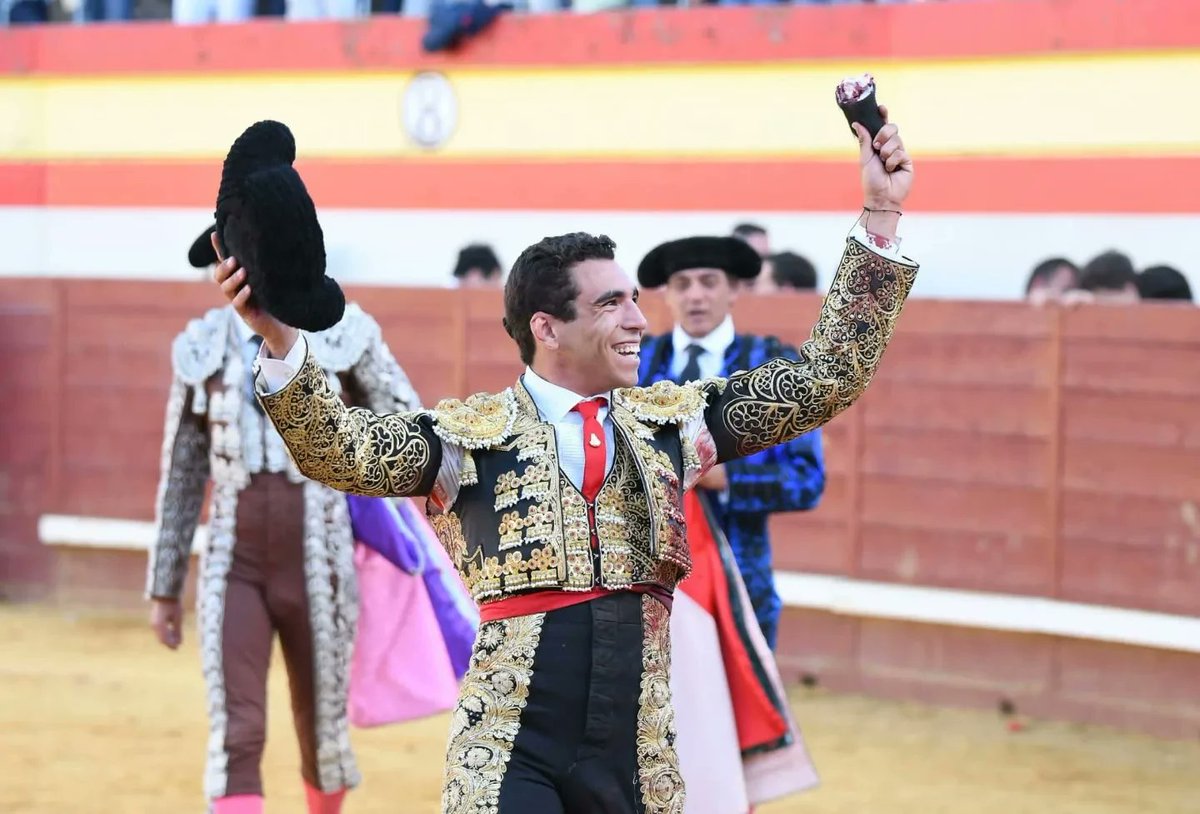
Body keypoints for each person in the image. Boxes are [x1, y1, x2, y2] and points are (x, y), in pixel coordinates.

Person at [215, 110, 916, 814]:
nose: (640, 320)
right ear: (547, 328)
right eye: (612, 304)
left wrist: (880, 216)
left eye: (636, 302)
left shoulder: (676, 425)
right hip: (508, 754)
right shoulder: (468, 438)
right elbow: (338, 450)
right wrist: (278, 341)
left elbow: (826, 378)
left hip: (637, 759)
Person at [148, 148, 470, 814]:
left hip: (322, 560)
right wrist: (162, 585)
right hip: (231, 563)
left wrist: (452, 489)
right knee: (235, 731)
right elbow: (182, 477)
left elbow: (416, 429)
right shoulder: (202, 346)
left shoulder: (344, 333)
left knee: (322, 732)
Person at [634, 234, 825, 810]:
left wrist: (726, 481)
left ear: (736, 289)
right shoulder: (635, 363)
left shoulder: (773, 366)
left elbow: (806, 480)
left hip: (741, 581)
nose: (695, 296)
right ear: (665, 294)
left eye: (709, 282)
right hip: (647, 581)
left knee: (733, 736)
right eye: (682, 284)